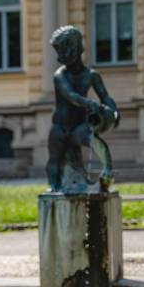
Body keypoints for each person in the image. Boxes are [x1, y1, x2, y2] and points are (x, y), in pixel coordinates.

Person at [46, 25, 119, 192]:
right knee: (55, 160)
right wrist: (90, 104)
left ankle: (107, 172)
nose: (59, 57)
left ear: (75, 50)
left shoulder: (92, 75)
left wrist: (113, 111)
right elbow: (71, 96)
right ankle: (54, 187)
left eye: (62, 51)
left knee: (94, 141)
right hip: (60, 127)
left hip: (80, 125)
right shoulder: (60, 75)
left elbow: (105, 97)